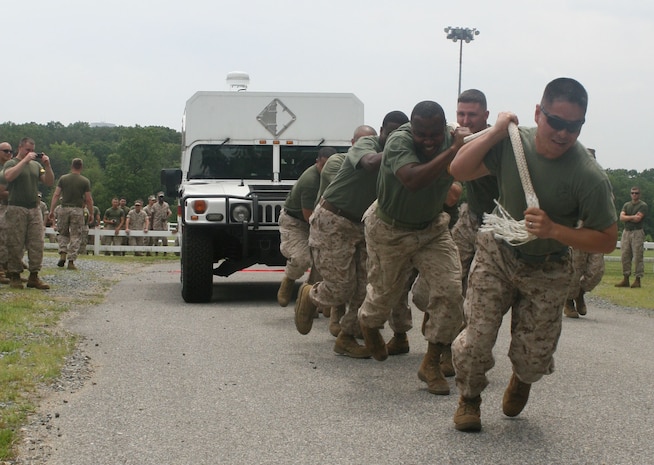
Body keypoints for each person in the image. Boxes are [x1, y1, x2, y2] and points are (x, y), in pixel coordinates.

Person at [449, 77, 617, 432]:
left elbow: (605, 240)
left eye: (574, 126)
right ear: (539, 113)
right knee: (476, 339)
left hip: (549, 264)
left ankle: (522, 379)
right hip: (498, 251)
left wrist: (555, 230)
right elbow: (459, 170)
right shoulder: (514, 143)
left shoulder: (589, 176)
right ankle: (470, 398)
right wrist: (495, 131)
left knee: (534, 358)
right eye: (555, 121)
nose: (563, 133)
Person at [357, 101, 468, 397]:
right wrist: (453, 150)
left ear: (444, 125)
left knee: (451, 291)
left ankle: (431, 363)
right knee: (385, 296)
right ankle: (368, 323)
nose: (429, 141)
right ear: (412, 128)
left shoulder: (453, 137)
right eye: (422, 134)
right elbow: (413, 179)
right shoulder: (399, 140)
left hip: (432, 229)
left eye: (434, 134)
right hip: (390, 230)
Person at [293, 113, 408, 358]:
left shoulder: (404, 156)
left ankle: (346, 337)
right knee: (340, 288)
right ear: (382, 131)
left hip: (364, 225)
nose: (394, 138)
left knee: (365, 288)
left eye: (401, 134)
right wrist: (399, 151)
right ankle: (310, 295)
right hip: (334, 219)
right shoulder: (368, 145)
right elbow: (368, 163)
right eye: (391, 132)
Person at [276, 146, 337, 307]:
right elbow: (308, 217)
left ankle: (309, 301)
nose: (325, 170)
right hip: (296, 222)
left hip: (321, 221)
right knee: (301, 259)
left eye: (329, 167)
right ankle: (289, 280)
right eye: (323, 166)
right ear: (317, 162)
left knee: (322, 263)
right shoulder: (310, 180)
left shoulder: (336, 176)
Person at [1, 137, 55, 289]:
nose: (30, 153)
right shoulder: (11, 163)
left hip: (34, 208)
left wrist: (47, 165)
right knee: (15, 242)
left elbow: (49, 182)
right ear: (20, 148)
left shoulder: (36, 166)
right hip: (16, 207)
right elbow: (8, 176)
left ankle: (34, 275)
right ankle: (15, 275)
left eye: (32, 151)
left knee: (37, 242)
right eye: (27, 150)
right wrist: (24, 161)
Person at [48, 158, 94, 270]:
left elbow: (56, 194)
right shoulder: (85, 181)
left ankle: (63, 252)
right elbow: (88, 199)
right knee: (76, 235)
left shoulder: (63, 179)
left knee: (62, 232)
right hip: (77, 210)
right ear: (81, 167)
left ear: (71, 166)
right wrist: (91, 212)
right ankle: (71, 261)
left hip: (64, 208)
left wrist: (52, 210)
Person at [615, 186, 648, 288]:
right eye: (632, 193)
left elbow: (638, 219)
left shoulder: (643, 205)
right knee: (625, 255)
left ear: (639, 194)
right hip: (626, 232)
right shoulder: (626, 205)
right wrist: (632, 217)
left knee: (638, 255)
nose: (634, 195)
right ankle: (626, 278)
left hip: (637, 232)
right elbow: (621, 217)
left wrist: (628, 217)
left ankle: (637, 279)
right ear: (630, 194)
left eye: (636, 193)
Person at [564, 248, 605, 318]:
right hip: (576, 239)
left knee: (597, 270)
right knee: (574, 268)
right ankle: (569, 301)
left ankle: (580, 293)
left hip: (596, 238)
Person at [0, 142, 13, 284]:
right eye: (5, 151)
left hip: (9, 206)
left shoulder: (10, 168)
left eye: (10, 151)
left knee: (10, 239)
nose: (9, 154)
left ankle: (9, 268)